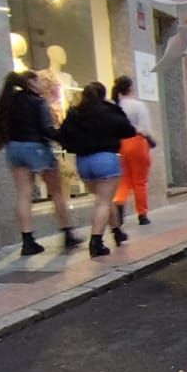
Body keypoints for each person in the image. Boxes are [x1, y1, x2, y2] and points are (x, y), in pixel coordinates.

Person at [0, 70, 79, 256]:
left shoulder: (8, 102)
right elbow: (47, 130)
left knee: (24, 194)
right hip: (37, 148)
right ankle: (67, 232)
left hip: (14, 149)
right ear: (30, 83)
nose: (42, 84)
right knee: (56, 192)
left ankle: (28, 241)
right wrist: (64, 134)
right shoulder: (38, 102)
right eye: (38, 80)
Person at [58, 81, 136, 258]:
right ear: (102, 94)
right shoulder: (109, 110)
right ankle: (96, 241)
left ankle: (117, 231)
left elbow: (63, 134)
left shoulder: (74, 113)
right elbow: (128, 131)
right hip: (105, 159)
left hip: (83, 161)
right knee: (103, 202)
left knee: (105, 199)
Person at [111, 75, 156, 226]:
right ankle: (142, 214)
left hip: (121, 144)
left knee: (124, 180)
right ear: (130, 87)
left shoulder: (115, 106)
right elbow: (145, 128)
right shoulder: (137, 105)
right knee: (140, 181)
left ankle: (119, 203)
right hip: (137, 142)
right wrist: (150, 139)